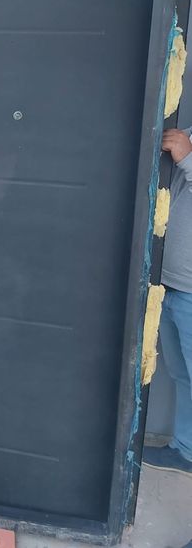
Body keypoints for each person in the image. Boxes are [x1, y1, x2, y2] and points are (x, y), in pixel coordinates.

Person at [143, 127, 192, 478]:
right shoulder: (184, 134)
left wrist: (188, 159)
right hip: (169, 286)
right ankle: (185, 450)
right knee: (182, 376)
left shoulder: (185, 146)